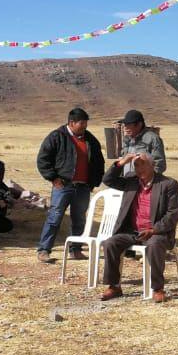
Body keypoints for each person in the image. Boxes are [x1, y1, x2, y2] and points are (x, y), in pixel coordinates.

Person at [98, 153, 178, 302]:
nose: (139, 169)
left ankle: (158, 288)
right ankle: (114, 286)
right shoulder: (131, 182)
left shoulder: (168, 184)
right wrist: (122, 162)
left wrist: (154, 230)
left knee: (155, 244)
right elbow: (108, 180)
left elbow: (172, 214)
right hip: (132, 232)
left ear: (152, 166)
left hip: (155, 232)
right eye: (136, 165)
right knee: (111, 243)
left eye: (143, 164)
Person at [35, 108, 105, 263]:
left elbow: (99, 163)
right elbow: (43, 160)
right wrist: (53, 178)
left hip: (83, 187)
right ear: (71, 123)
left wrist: (93, 182)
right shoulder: (57, 136)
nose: (85, 126)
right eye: (82, 123)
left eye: (86, 122)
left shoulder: (90, 140)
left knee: (79, 219)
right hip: (63, 185)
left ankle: (76, 249)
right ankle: (44, 250)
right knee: (55, 217)